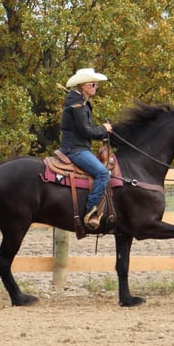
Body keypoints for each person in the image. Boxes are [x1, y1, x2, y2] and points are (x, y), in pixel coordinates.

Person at [59, 68, 113, 230]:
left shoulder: (80, 102)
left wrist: (103, 132)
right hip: (75, 150)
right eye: (93, 84)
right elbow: (85, 130)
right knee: (103, 173)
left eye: (96, 84)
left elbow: (85, 130)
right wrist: (103, 128)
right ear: (83, 85)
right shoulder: (77, 104)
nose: (96, 87)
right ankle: (91, 210)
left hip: (78, 147)